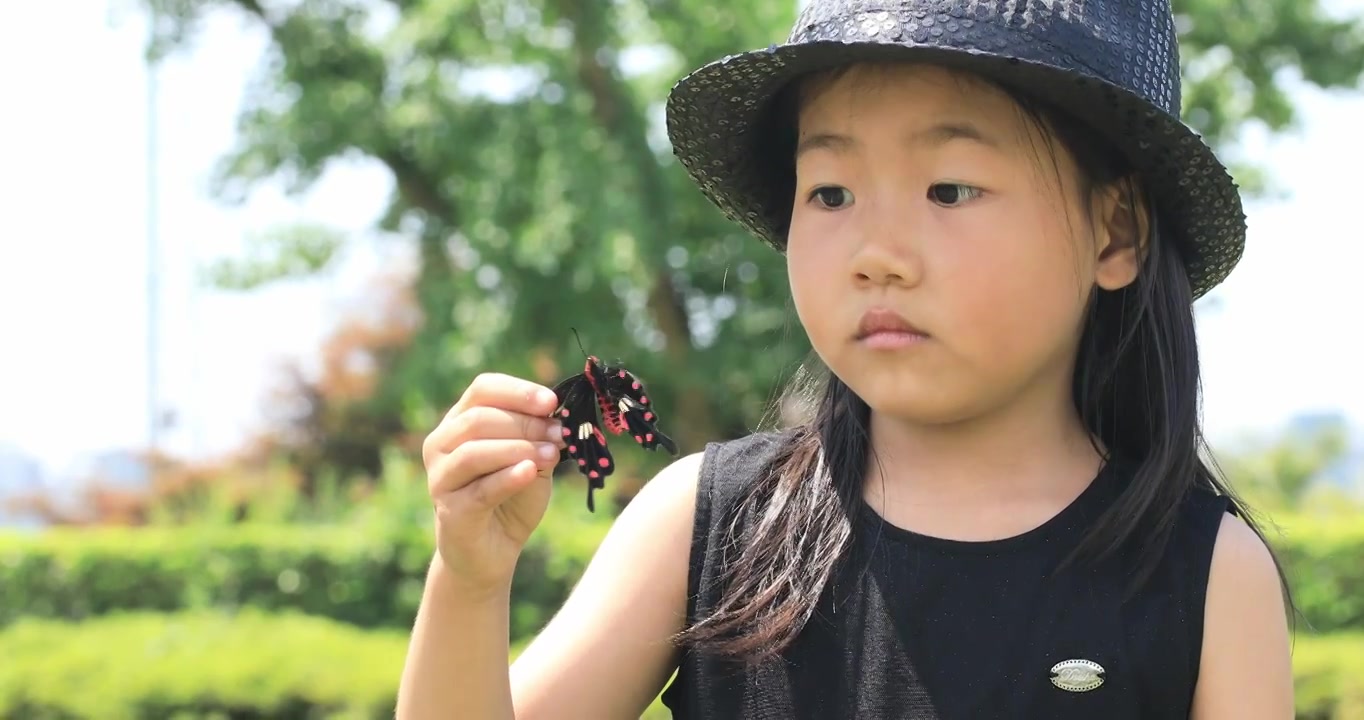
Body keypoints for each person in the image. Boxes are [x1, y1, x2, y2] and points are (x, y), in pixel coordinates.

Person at [396, 0, 1296, 717]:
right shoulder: (709, 526)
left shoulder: (1205, 575)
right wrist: (470, 582)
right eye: (831, 191)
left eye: (949, 188)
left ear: (1117, 231)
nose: (877, 251)